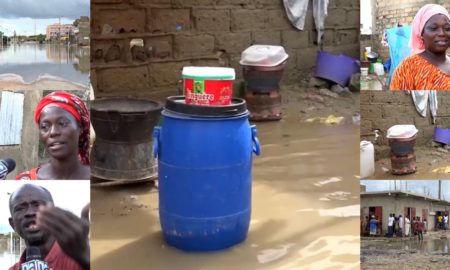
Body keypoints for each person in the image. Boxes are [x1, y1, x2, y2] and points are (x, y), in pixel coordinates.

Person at [8, 184, 89, 270]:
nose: (30, 212)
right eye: (20, 208)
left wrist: (85, 258)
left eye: (37, 205)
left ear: (53, 213)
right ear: (12, 224)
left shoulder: (80, 259)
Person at [16, 91, 90, 180]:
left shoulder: (98, 181)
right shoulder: (25, 181)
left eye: (62, 123)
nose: (53, 132)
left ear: (80, 128)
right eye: (45, 126)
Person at [390, 4, 450, 90]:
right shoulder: (408, 69)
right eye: (433, 28)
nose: (442, 33)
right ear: (421, 33)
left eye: (447, 28)